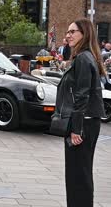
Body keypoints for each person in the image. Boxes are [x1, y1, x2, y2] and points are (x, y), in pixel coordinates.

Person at [55, 18, 105, 207]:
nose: (68, 35)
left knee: (78, 176)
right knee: (80, 173)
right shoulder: (85, 56)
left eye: (73, 31)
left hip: (82, 123)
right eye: (67, 32)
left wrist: (76, 129)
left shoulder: (84, 58)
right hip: (86, 122)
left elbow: (82, 95)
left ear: (84, 34)